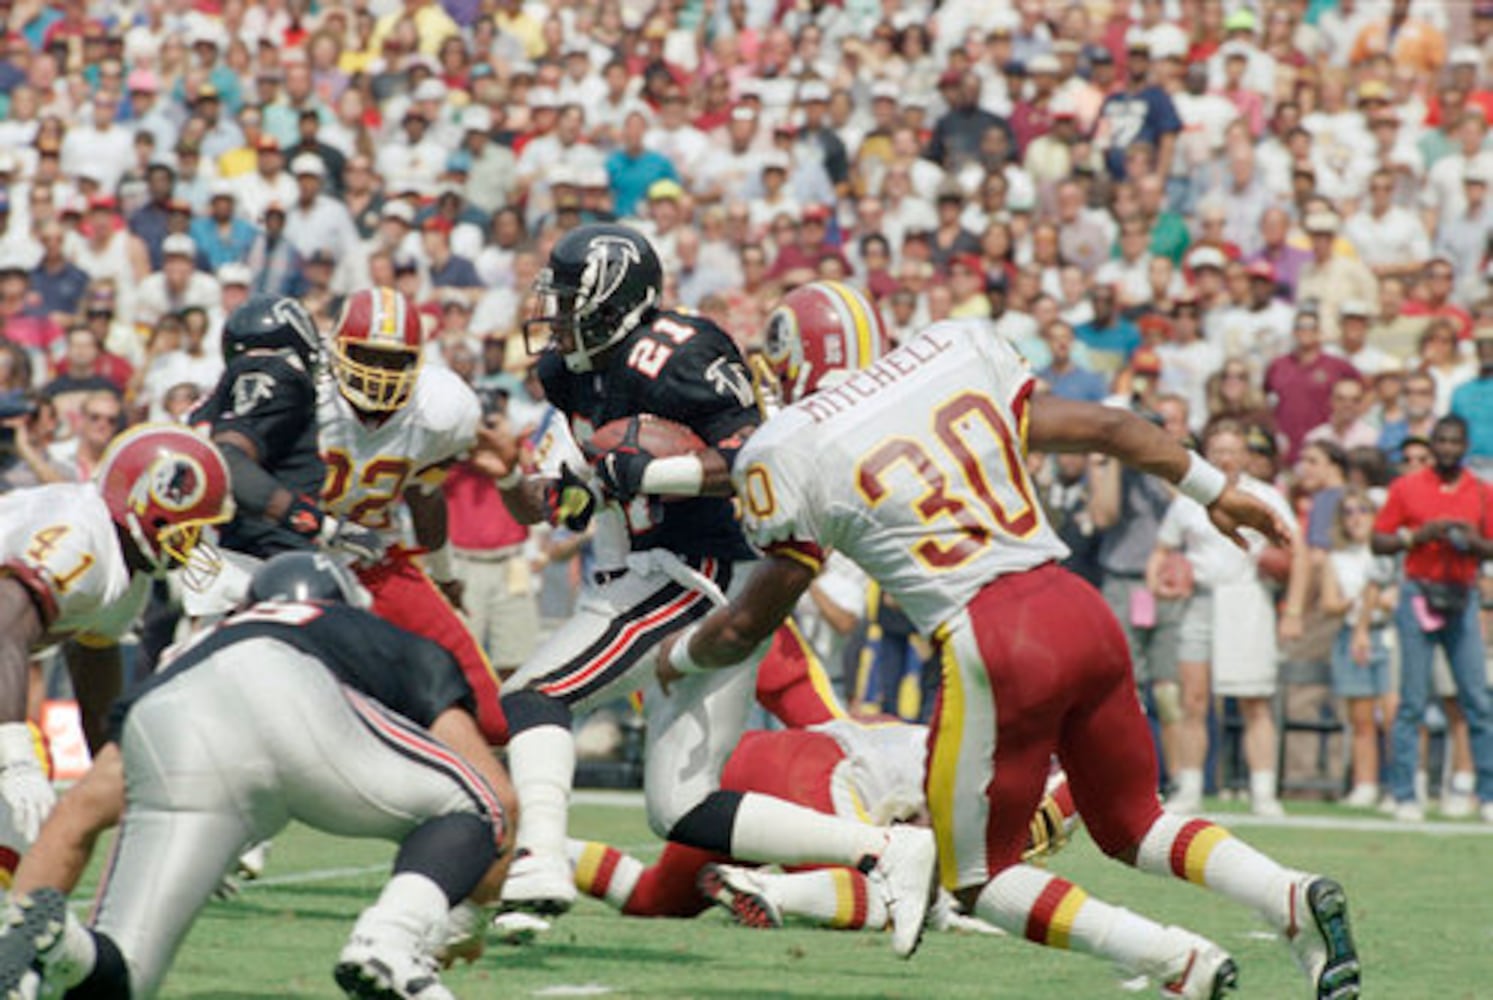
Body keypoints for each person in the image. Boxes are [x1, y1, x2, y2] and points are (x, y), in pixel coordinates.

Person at [656, 283, 1358, 997]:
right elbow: (1112, 428)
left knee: (978, 878)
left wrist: (675, 655)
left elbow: (752, 619)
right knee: (1133, 822)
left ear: (786, 363)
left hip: (990, 635)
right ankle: (1288, 896)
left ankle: (1175, 963)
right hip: (1077, 605)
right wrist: (1215, 490)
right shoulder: (949, 353)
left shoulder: (792, 443)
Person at [478, 232, 935, 953]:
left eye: (569, 300)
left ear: (613, 301)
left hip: (700, 568)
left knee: (535, 692)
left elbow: (755, 459)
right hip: (656, 564)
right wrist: (532, 486)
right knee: (680, 808)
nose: (554, 316)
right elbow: (567, 498)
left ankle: (537, 858)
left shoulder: (684, 349)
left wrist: (648, 476)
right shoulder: (567, 373)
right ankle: (884, 850)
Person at [0, 553, 515, 1000]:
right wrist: (464, 918)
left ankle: (64, 944)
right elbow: (499, 800)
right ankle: (389, 939)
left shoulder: (198, 650)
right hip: (294, 690)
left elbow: (76, 815)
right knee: (474, 804)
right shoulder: (362, 630)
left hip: (171, 719)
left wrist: (17, 924)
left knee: (124, 976)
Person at [0, 425, 233, 875]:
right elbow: (3, 625)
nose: (196, 545)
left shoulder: (125, 574)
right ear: (151, 505)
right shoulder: (80, 540)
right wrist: (13, 756)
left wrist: (145, 808)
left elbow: (96, 683)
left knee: (18, 832)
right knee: (16, 807)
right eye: (191, 528)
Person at [319, 287, 506, 745]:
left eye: (394, 361)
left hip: (379, 563)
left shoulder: (441, 407)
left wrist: (444, 573)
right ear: (338, 351)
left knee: (493, 717)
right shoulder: (302, 397)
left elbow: (426, 495)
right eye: (368, 356)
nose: (379, 373)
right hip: (299, 565)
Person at [184, 295, 382, 620]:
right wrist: (325, 528)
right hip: (268, 574)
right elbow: (229, 462)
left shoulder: (210, 403)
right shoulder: (272, 372)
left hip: (218, 576)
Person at [1371, 415, 1493, 823]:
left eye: (1454, 441)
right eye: (1440, 440)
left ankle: (1488, 793)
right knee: (1411, 700)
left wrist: (1470, 540)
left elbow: (1491, 546)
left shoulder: (1480, 492)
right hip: (1418, 594)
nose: (1446, 447)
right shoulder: (1407, 486)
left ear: (1465, 445)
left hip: (1461, 595)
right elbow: (1379, 540)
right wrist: (1418, 535)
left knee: (1476, 699)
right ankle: (1406, 793)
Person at [1326, 490, 1398, 808]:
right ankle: (1365, 784)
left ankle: (1400, 785)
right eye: (1348, 511)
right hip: (1350, 637)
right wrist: (1358, 602)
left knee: (1395, 717)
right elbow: (1330, 603)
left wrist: (1376, 603)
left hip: (1388, 634)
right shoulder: (1336, 558)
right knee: (1362, 718)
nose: (1355, 517)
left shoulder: (1389, 554)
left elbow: (1396, 596)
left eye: (1362, 510)